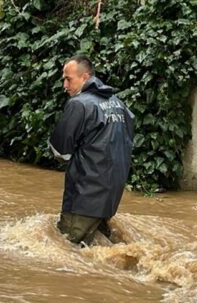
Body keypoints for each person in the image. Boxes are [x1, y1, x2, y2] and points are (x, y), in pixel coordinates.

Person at [49, 55, 134, 246]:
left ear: (85, 77)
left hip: (84, 196)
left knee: (67, 248)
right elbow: (128, 138)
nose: (64, 85)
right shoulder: (118, 103)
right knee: (99, 251)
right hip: (109, 196)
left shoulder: (79, 104)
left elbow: (60, 151)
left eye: (68, 79)